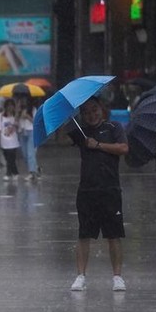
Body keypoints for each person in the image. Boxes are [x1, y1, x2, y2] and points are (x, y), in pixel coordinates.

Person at [68, 97, 128, 292]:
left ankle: (117, 277)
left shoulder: (114, 127)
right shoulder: (81, 132)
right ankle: (80, 276)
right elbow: (67, 128)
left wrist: (98, 145)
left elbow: (123, 148)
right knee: (84, 235)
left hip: (110, 190)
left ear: (102, 109)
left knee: (114, 235)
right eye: (86, 112)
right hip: (86, 191)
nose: (91, 115)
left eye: (95, 110)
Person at [0, 98, 20, 181]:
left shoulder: (15, 116)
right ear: (5, 106)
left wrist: (16, 120)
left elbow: (19, 128)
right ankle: (15, 173)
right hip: (4, 142)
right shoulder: (1, 116)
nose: (10, 107)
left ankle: (8, 173)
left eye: (12, 106)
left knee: (11, 157)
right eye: (8, 106)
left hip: (13, 141)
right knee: (8, 157)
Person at [16, 95, 40, 181]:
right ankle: (36, 168)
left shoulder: (33, 109)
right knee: (25, 154)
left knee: (30, 153)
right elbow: (15, 122)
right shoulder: (19, 110)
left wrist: (27, 116)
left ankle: (32, 173)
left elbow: (36, 122)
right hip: (22, 132)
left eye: (24, 99)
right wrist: (17, 112)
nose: (23, 101)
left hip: (31, 132)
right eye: (21, 99)